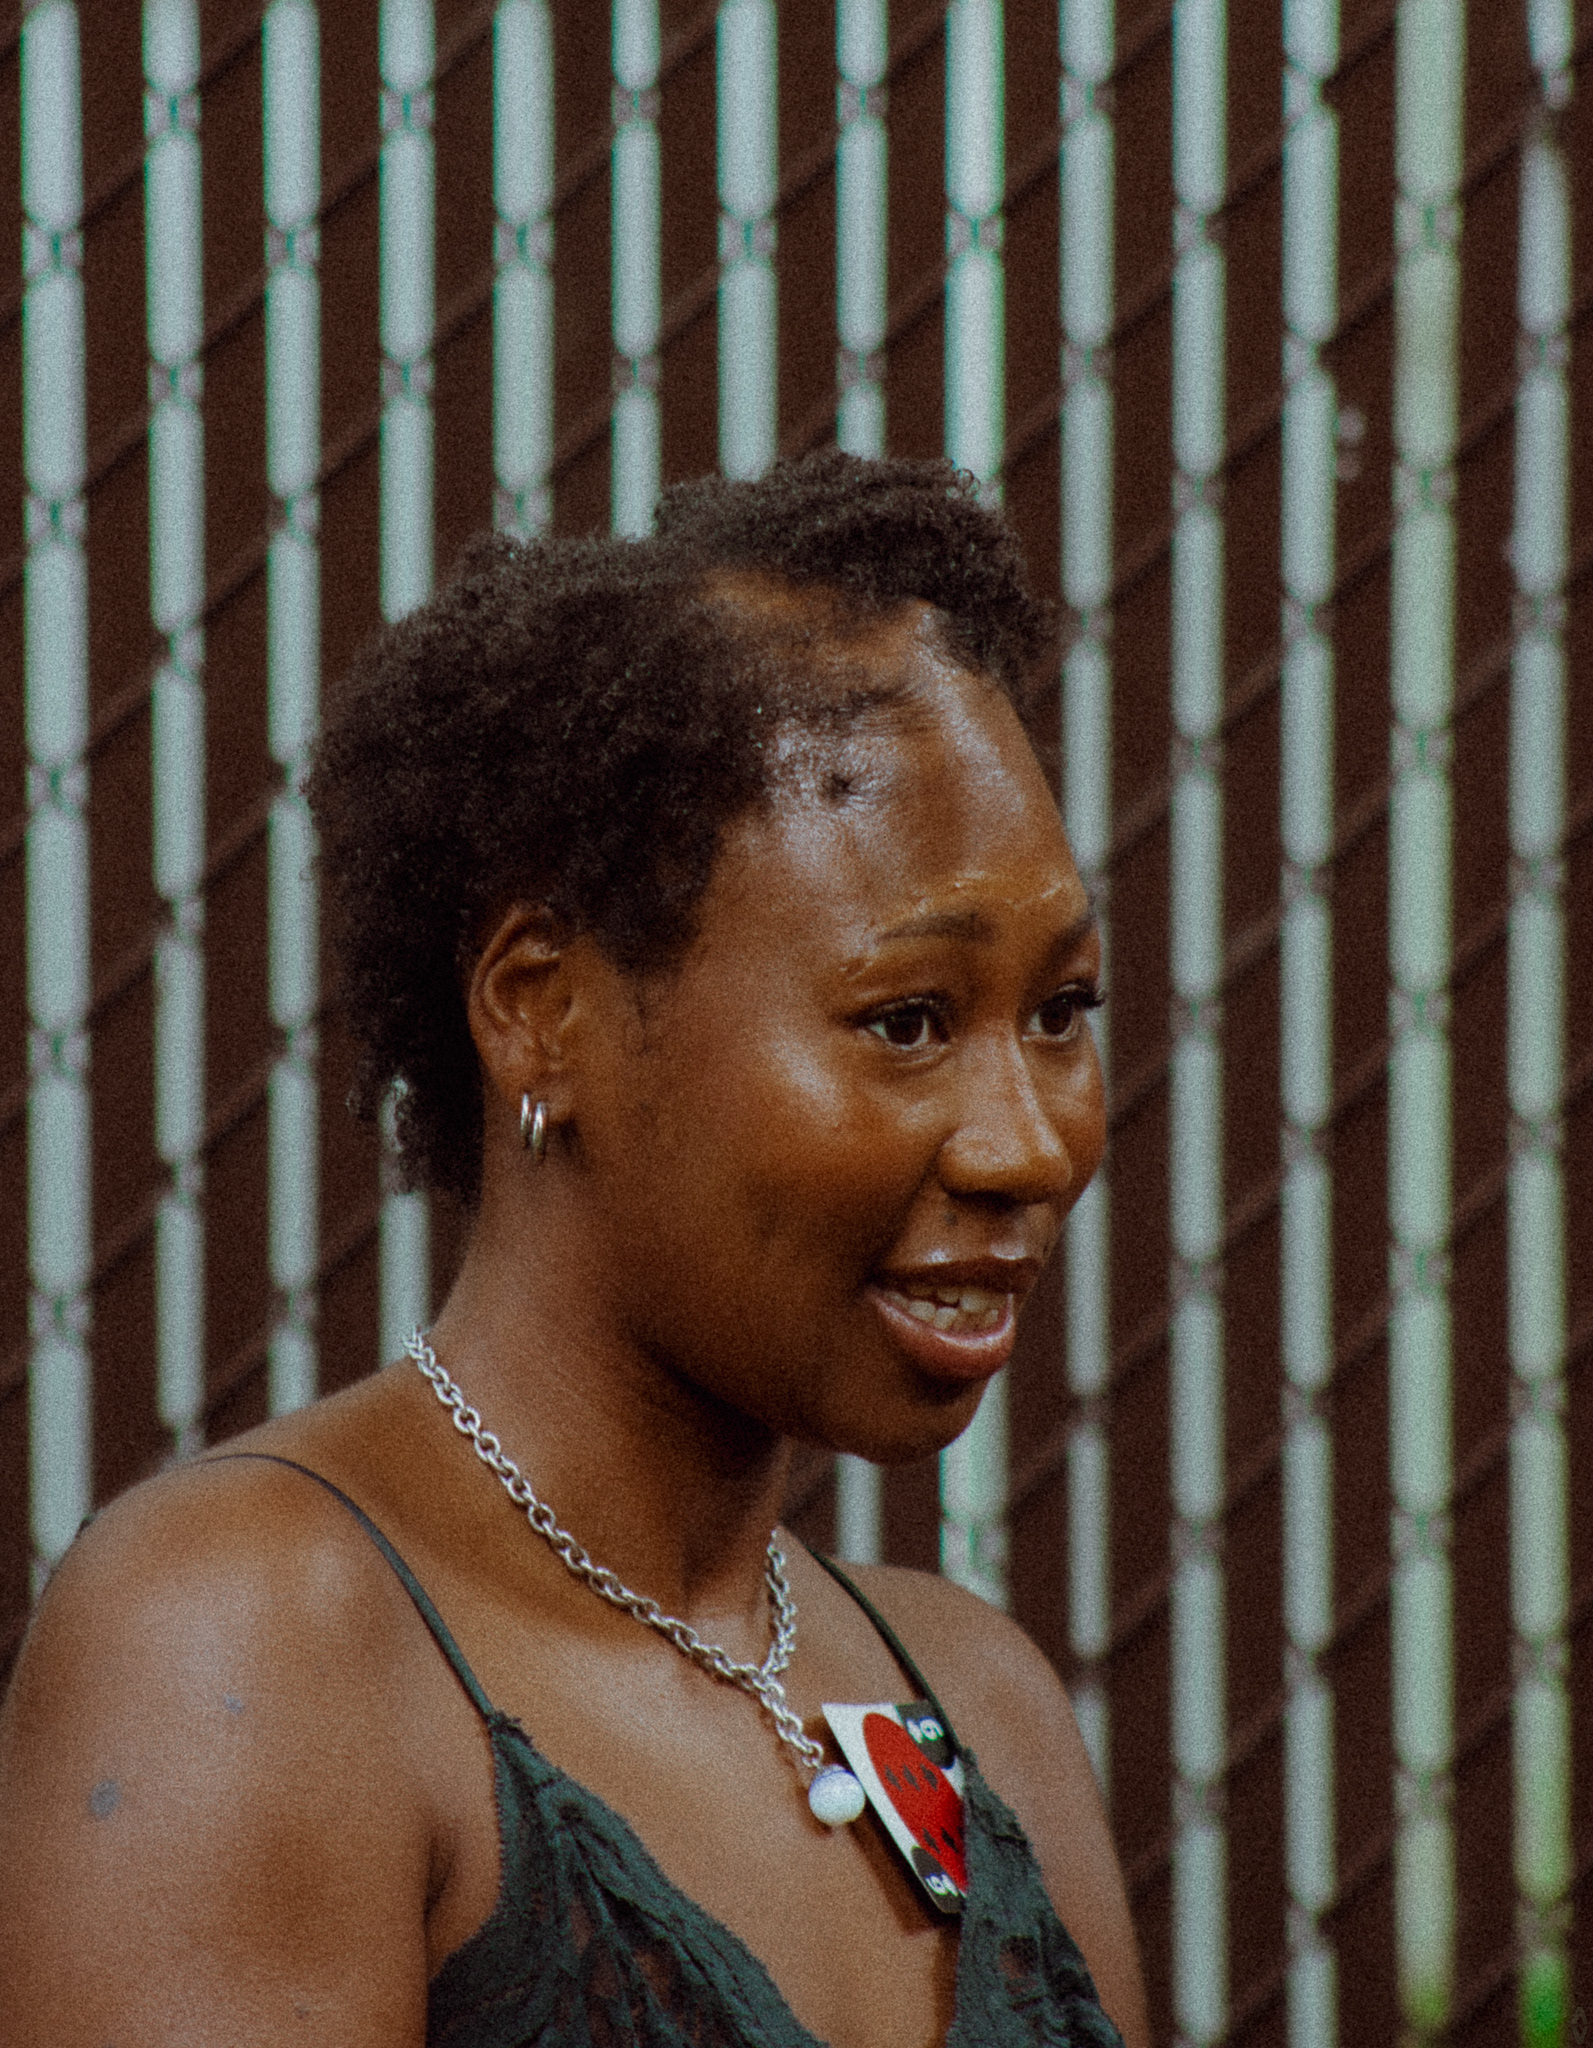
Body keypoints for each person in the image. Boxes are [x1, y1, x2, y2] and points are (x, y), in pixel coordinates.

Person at [0, 453, 1147, 2047]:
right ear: (543, 1012)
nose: (1025, 1145)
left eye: (1062, 1011)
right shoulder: (251, 1645)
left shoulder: (980, 1703)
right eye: (906, 1021)